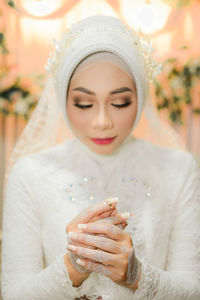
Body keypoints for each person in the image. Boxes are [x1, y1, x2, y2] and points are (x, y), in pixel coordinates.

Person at [1, 15, 200, 300]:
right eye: (84, 103)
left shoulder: (179, 169)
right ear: (63, 100)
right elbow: (13, 294)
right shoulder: (31, 173)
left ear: (140, 97)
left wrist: (138, 276)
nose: (102, 121)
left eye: (120, 102)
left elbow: (194, 291)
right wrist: (73, 265)